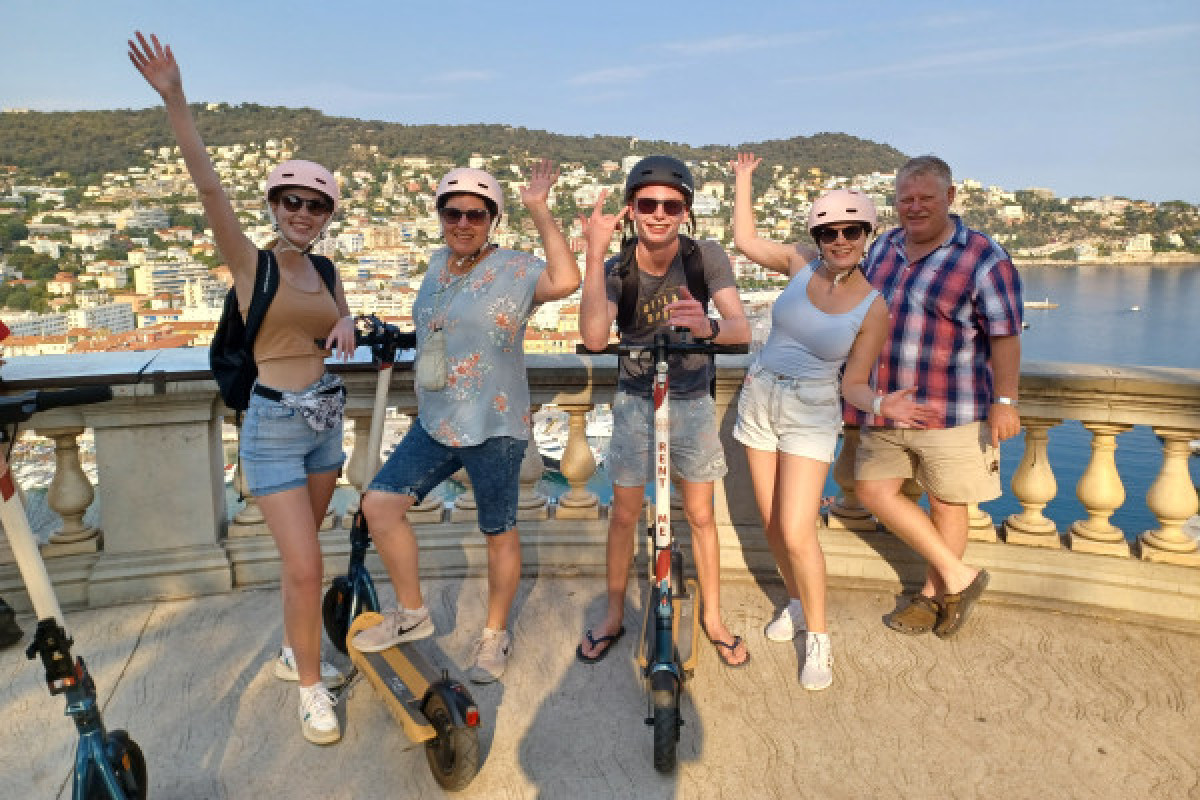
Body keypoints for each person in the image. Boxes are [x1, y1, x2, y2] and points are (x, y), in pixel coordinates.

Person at [129, 33, 356, 745]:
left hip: (324, 426)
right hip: (273, 429)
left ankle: (294, 650)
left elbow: (337, 318)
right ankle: (310, 687)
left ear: (328, 215)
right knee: (307, 565)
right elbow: (207, 187)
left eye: (315, 205)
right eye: (291, 201)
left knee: (304, 560)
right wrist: (176, 99)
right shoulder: (251, 264)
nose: (302, 213)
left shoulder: (326, 271)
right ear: (274, 205)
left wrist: (346, 323)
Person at [351, 161, 580, 684]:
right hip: (435, 419)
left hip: (494, 425)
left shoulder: (516, 268)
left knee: (498, 532)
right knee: (379, 505)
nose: (462, 223)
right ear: (440, 215)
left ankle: (495, 634)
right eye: (452, 212)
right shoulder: (437, 264)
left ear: (492, 219)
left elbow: (567, 280)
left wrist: (539, 209)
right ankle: (412, 613)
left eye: (476, 215)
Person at [729, 153, 935, 690]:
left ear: (867, 235)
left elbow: (853, 384)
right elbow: (746, 241)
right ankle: (796, 603)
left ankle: (819, 638)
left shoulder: (873, 307)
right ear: (816, 237)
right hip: (759, 398)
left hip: (810, 413)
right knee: (772, 522)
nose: (840, 240)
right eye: (829, 232)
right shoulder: (799, 264)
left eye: (851, 231)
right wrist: (744, 179)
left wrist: (882, 405)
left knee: (798, 531)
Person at [577, 155, 752, 667]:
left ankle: (713, 618)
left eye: (671, 206)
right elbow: (594, 337)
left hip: (691, 398)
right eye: (648, 204)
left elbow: (740, 329)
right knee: (624, 514)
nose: (659, 214)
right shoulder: (618, 267)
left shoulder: (704, 257)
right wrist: (594, 254)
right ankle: (614, 614)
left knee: (701, 514)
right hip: (636, 399)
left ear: (686, 212)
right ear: (631, 209)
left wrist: (707, 327)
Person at [851, 155, 1023, 638]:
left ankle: (931, 598)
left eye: (926, 197)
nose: (915, 206)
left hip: (953, 409)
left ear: (949, 197)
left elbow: (1006, 336)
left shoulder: (984, 258)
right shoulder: (883, 248)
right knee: (872, 491)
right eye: (906, 198)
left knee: (947, 504)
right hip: (888, 404)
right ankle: (960, 576)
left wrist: (1005, 402)